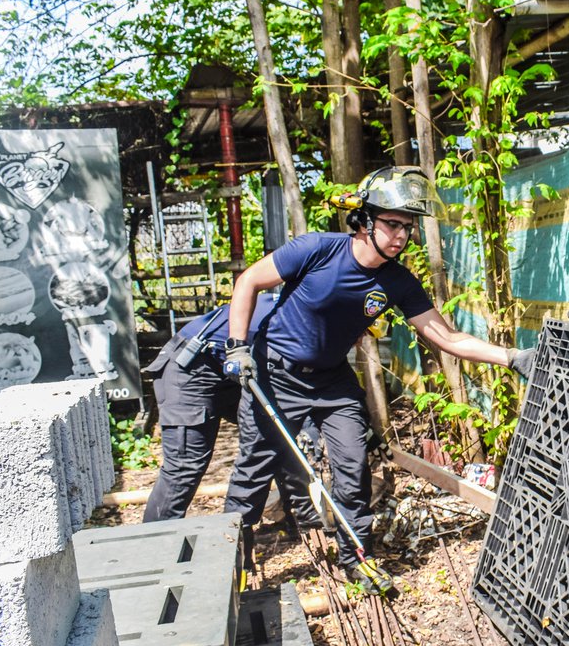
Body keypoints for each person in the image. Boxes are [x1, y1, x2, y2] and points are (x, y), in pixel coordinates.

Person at [222, 166, 534, 588]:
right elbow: (248, 282)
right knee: (252, 476)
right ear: (365, 220)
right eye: (392, 224)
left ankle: (357, 559)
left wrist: (512, 357)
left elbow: (445, 337)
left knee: (354, 468)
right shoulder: (317, 249)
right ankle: (228, 566)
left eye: (408, 227)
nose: (401, 236)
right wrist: (237, 347)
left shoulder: (398, 282)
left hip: (332, 382)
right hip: (276, 372)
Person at [141, 292, 277, 522]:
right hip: (191, 368)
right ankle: (155, 545)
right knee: (184, 466)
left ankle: (284, 517)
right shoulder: (292, 320)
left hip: (232, 371)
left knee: (276, 433)